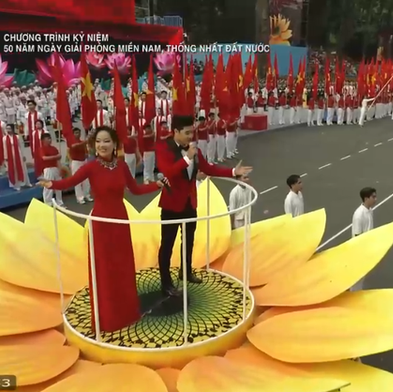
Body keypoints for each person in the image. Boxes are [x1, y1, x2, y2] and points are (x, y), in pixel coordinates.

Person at [38, 126, 166, 331]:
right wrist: (51, 184)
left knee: (122, 267)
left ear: (114, 144)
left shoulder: (122, 166)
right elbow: (70, 182)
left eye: (106, 141)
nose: (102, 145)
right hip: (101, 224)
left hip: (121, 222)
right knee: (105, 271)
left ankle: (127, 314)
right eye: (98, 141)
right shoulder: (90, 167)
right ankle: (108, 319)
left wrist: (157, 186)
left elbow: (135, 189)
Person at [155, 115, 252, 296]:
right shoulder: (164, 148)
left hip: (190, 203)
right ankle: (166, 283)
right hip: (171, 204)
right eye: (187, 133)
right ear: (175, 132)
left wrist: (233, 171)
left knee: (188, 240)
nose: (190, 136)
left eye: (192, 132)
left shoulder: (194, 150)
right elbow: (168, 172)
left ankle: (186, 271)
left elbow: (209, 169)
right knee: (167, 244)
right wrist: (186, 159)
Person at [350, 187, 377, 291]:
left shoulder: (370, 210)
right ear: (366, 198)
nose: (375, 199)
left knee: (362, 275)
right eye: (373, 197)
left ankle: (357, 291)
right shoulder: (359, 215)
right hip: (359, 250)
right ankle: (353, 295)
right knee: (357, 277)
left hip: (367, 248)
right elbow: (357, 235)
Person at [67, 127, 93, 204]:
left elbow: (86, 151)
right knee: (77, 180)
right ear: (73, 134)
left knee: (86, 180)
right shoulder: (71, 142)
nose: (78, 134)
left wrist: (87, 153)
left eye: (79, 133)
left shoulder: (82, 142)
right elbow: (74, 146)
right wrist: (85, 142)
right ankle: (79, 198)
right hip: (76, 162)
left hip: (83, 161)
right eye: (76, 133)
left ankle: (86, 195)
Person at [4, 123, 31, 191]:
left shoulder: (17, 137)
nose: (8, 130)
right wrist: (6, 156)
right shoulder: (4, 138)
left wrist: (23, 155)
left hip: (18, 154)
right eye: (7, 128)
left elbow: (21, 147)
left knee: (23, 168)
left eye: (9, 128)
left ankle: (26, 182)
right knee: (14, 169)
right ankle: (16, 184)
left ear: (12, 129)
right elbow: (4, 148)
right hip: (10, 155)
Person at [39, 133, 64, 207]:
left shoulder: (54, 148)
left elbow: (58, 160)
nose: (50, 140)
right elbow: (44, 158)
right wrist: (55, 156)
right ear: (43, 140)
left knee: (58, 185)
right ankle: (48, 203)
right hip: (48, 169)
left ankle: (59, 202)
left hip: (55, 168)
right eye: (48, 138)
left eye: (50, 138)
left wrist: (60, 169)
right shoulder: (42, 149)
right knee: (48, 186)